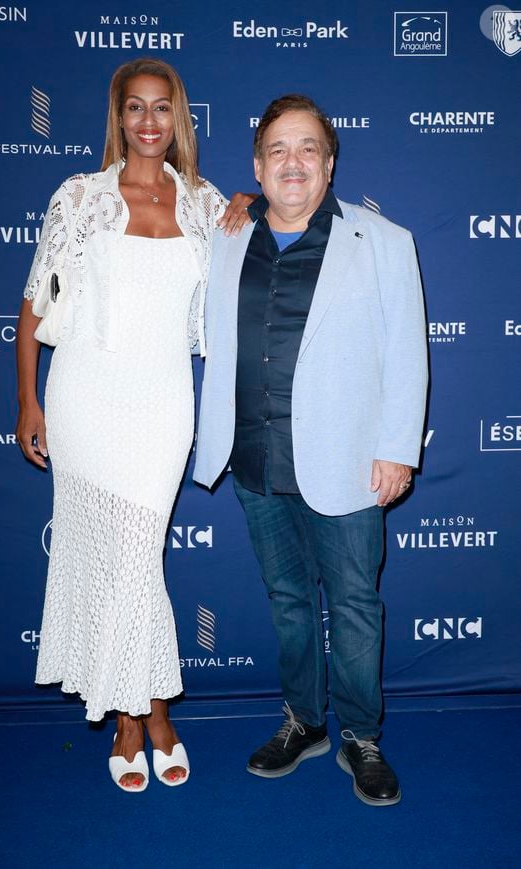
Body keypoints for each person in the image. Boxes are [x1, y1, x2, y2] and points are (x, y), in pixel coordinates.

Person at [15, 58, 251, 792]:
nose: (148, 122)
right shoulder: (79, 197)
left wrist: (244, 204)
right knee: (118, 563)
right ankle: (142, 718)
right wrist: (30, 402)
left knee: (137, 558)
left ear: (179, 117)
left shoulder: (203, 203)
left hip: (161, 403)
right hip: (86, 396)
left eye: (162, 108)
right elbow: (32, 306)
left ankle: (136, 710)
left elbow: (255, 246)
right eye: (134, 108)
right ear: (117, 117)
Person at [194, 94, 428, 806]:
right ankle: (305, 719)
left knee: (354, 605)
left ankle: (361, 733)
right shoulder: (225, 235)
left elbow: (406, 352)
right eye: (277, 151)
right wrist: (234, 204)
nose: (291, 163)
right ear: (257, 166)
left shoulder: (384, 241)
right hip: (257, 460)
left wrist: (398, 449)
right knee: (290, 602)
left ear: (329, 164)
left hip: (350, 461)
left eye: (307, 150)